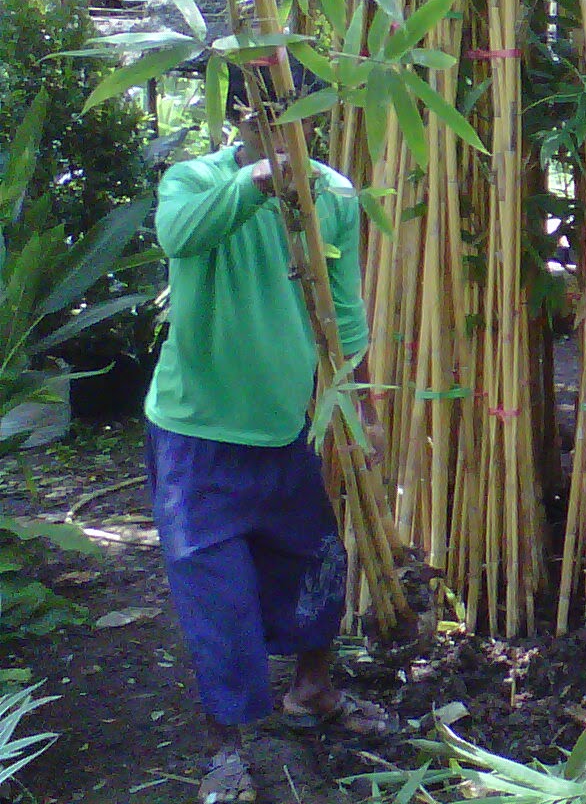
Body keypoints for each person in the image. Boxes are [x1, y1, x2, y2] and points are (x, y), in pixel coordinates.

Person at [145, 67, 390, 804]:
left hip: (287, 428)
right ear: (239, 119)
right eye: (267, 118)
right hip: (196, 434)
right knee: (215, 593)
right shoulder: (194, 181)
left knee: (313, 562)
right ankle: (231, 746)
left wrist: (359, 403)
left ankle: (313, 693)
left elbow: (343, 309)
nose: (286, 132)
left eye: (298, 118)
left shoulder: (334, 196)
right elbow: (177, 236)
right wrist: (258, 180)